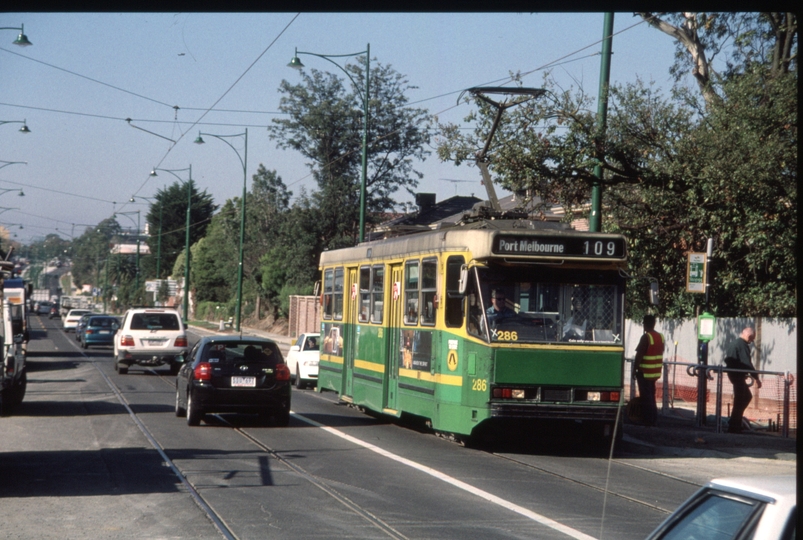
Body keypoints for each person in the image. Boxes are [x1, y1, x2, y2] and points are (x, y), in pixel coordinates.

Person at [723, 327, 761, 433]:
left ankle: (735, 421)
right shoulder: (742, 345)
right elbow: (747, 363)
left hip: (734, 374)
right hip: (738, 376)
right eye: (752, 339)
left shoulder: (734, 343)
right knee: (741, 400)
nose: (752, 341)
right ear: (748, 336)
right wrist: (756, 378)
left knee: (744, 397)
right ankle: (734, 424)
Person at [634, 314, 664, 427]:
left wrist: (634, 370)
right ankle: (653, 418)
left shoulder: (646, 337)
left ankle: (647, 420)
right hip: (655, 372)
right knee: (651, 395)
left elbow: (639, 355)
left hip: (645, 372)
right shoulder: (660, 337)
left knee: (646, 397)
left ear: (645, 324)